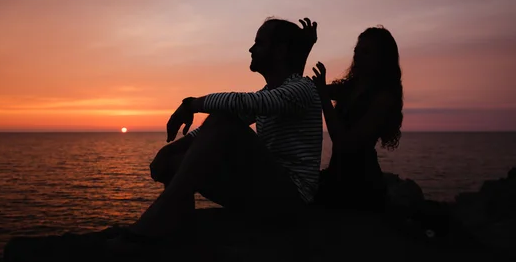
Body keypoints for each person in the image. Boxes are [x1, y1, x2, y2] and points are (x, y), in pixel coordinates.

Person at [107, 17, 323, 253]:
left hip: (291, 200)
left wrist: (191, 105)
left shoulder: (302, 89)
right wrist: (171, 149)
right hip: (264, 193)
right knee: (177, 160)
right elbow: (213, 131)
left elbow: (234, 111)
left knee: (223, 116)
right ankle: (177, 224)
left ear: (280, 50)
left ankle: (155, 221)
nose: (251, 49)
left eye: (259, 43)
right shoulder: (270, 94)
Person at [311, 26, 404, 212]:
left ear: (382, 58)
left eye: (366, 52)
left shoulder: (383, 98)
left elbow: (345, 143)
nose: (358, 56)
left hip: (361, 187)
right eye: (356, 51)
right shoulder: (349, 87)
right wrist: (305, 47)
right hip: (336, 178)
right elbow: (310, 89)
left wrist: (322, 96)